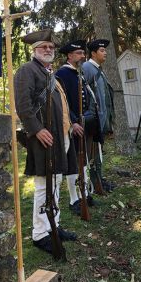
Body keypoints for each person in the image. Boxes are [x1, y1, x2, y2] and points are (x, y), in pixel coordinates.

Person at [14, 29, 77, 255]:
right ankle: (40, 235)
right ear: (34, 50)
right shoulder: (27, 70)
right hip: (44, 136)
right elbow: (22, 105)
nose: (49, 50)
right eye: (44, 47)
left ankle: (53, 226)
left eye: (51, 47)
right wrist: (36, 129)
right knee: (44, 186)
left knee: (56, 181)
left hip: (60, 137)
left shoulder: (49, 73)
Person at [56, 40, 100, 214]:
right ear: (70, 56)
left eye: (83, 53)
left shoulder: (77, 73)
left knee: (83, 161)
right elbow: (62, 103)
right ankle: (74, 199)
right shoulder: (62, 74)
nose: (83, 56)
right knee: (73, 163)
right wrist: (73, 123)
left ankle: (84, 193)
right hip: (70, 125)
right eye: (79, 53)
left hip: (82, 124)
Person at [82, 39, 115, 192]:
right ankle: (94, 184)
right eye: (102, 50)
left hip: (101, 120)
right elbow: (84, 95)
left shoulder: (98, 68)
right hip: (93, 121)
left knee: (99, 152)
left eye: (105, 50)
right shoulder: (87, 67)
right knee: (93, 154)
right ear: (93, 53)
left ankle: (99, 181)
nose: (105, 52)